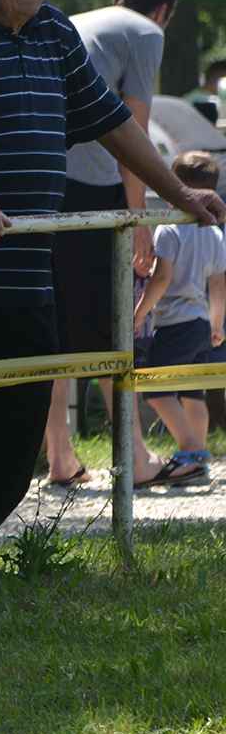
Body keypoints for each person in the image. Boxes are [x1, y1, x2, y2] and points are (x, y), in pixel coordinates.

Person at [0, 0, 225, 571]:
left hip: (27, 267)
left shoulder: (53, 30)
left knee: (20, 413)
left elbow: (112, 121)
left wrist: (179, 193)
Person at [43, 0, 179, 487]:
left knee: (54, 325)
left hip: (40, 182)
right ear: (162, 10)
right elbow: (133, 132)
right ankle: (136, 458)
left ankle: (60, 456)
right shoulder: (145, 33)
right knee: (109, 320)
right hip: (89, 189)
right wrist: (137, 217)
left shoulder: (79, 21)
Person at [132, 151, 226, 484]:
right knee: (191, 393)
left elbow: (161, 278)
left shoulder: (169, 229)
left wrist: (139, 313)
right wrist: (217, 325)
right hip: (201, 324)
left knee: (155, 389)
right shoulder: (214, 233)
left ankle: (191, 449)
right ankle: (194, 461)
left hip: (174, 324)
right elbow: (219, 285)